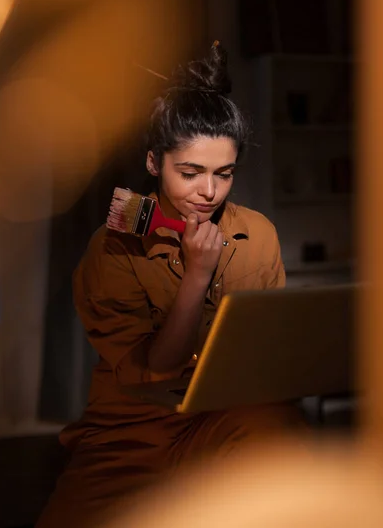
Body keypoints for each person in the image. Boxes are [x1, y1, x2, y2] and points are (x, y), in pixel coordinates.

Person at [37, 42, 304, 528]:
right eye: (190, 172)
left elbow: (268, 349)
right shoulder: (112, 246)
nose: (208, 192)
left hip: (225, 412)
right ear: (154, 163)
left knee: (286, 448)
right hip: (132, 430)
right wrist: (197, 273)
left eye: (223, 174)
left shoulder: (259, 234)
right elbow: (158, 366)